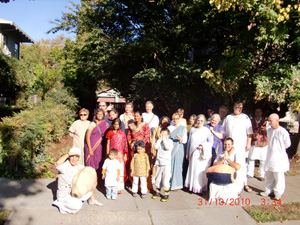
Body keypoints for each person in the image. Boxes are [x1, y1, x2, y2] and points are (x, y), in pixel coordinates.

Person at [53, 147, 102, 214]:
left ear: (78, 158)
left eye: (76, 157)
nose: (74, 159)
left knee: (90, 185)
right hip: (65, 195)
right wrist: (68, 154)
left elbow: (90, 172)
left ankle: (92, 200)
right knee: (77, 205)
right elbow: (58, 163)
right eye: (72, 157)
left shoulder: (79, 167)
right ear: (69, 157)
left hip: (74, 191)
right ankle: (61, 205)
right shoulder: (65, 166)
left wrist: (95, 182)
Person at [222, 101, 253, 193]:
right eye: (237, 107)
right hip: (230, 146)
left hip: (241, 146)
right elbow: (223, 131)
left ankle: (244, 183)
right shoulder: (228, 117)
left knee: (242, 165)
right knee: (230, 163)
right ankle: (231, 182)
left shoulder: (245, 118)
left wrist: (248, 143)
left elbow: (250, 133)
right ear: (233, 107)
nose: (239, 109)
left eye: (240, 107)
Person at [260, 113, 291, 200]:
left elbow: (287, 144)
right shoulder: (269, 130)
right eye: (269, 120)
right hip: (270, 156)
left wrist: (278, 149)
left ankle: (278, 193)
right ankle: (268, 190)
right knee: (269, 174)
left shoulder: (283, 132)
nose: (269, 122)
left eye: (271, 120)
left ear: (277, 121)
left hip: (279, 157)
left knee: (278, 175)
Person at [185, 114, 213, 194]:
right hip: (194, 153)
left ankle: (199, 188)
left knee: (200, 170)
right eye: (198, 120)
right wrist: (187, 152)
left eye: (201, 121)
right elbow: (189, 142)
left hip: (202, 154)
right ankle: (192, 187)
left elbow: (210, 142)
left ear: (204, 121)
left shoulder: (206, 131)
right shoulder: (193, 130)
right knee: (193, 169)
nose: (200, 122)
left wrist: (203, 146)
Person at [209, 137, 243, 201]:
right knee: (213, 185)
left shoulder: (237, 153)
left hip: (234, 177)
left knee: (229, 187)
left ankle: (233, 195)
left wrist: (228, 160)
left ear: (232, 145)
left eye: (229, 144)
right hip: (223, 176)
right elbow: (214, 164)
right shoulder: (222, 154)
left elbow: (238, 167)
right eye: (225, 144)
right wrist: (222, 160)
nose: (227, 146)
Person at [106, 118, 128, 193]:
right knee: (112, 170)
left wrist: (125, 154)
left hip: (120, 154)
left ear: (119, 125)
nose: (116, 126)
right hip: (112, 154)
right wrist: (107, 153)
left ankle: (119, 187)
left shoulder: (122, 133)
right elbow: (108, 143)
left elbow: (125, 144)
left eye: (117, 124)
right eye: (114, 124)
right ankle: (112, 186)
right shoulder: (109, 133)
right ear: (112, 124)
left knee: (120, 170)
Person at [152, 128, 174, 202]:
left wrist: (164, 139)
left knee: (165, 179)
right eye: (161, 134)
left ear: (168, 135)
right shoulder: (159, 141)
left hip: (166, 163)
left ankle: (166, 194)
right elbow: (155, 147)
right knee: (158, 178)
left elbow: (167, 147)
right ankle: (157, 191)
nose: (163, 136)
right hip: (159, 162)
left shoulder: (170, 142)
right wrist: (159, 139)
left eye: (164, 134)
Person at [168, 112, 187, 190]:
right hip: (171, 147)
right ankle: (169, 183)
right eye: (174, 119)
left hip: (179, 148)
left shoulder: (183, 128)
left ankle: (177, 184)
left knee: (178, 166)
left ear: (180, 119)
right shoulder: (170, 128)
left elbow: (185, 140)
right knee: (170, 165)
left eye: (177, 119)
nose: (175, 120)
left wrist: (181, 139)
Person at [247, 108, 268, 181]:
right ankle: (250, 173)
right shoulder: (251, 121)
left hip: (263, 143)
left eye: (259, 112)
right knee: (251, 158)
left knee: (263, 160)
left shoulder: (265, 122)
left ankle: (262, 175)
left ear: (261, 113)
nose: (257, 113)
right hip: (253, 143)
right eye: (256, 112)